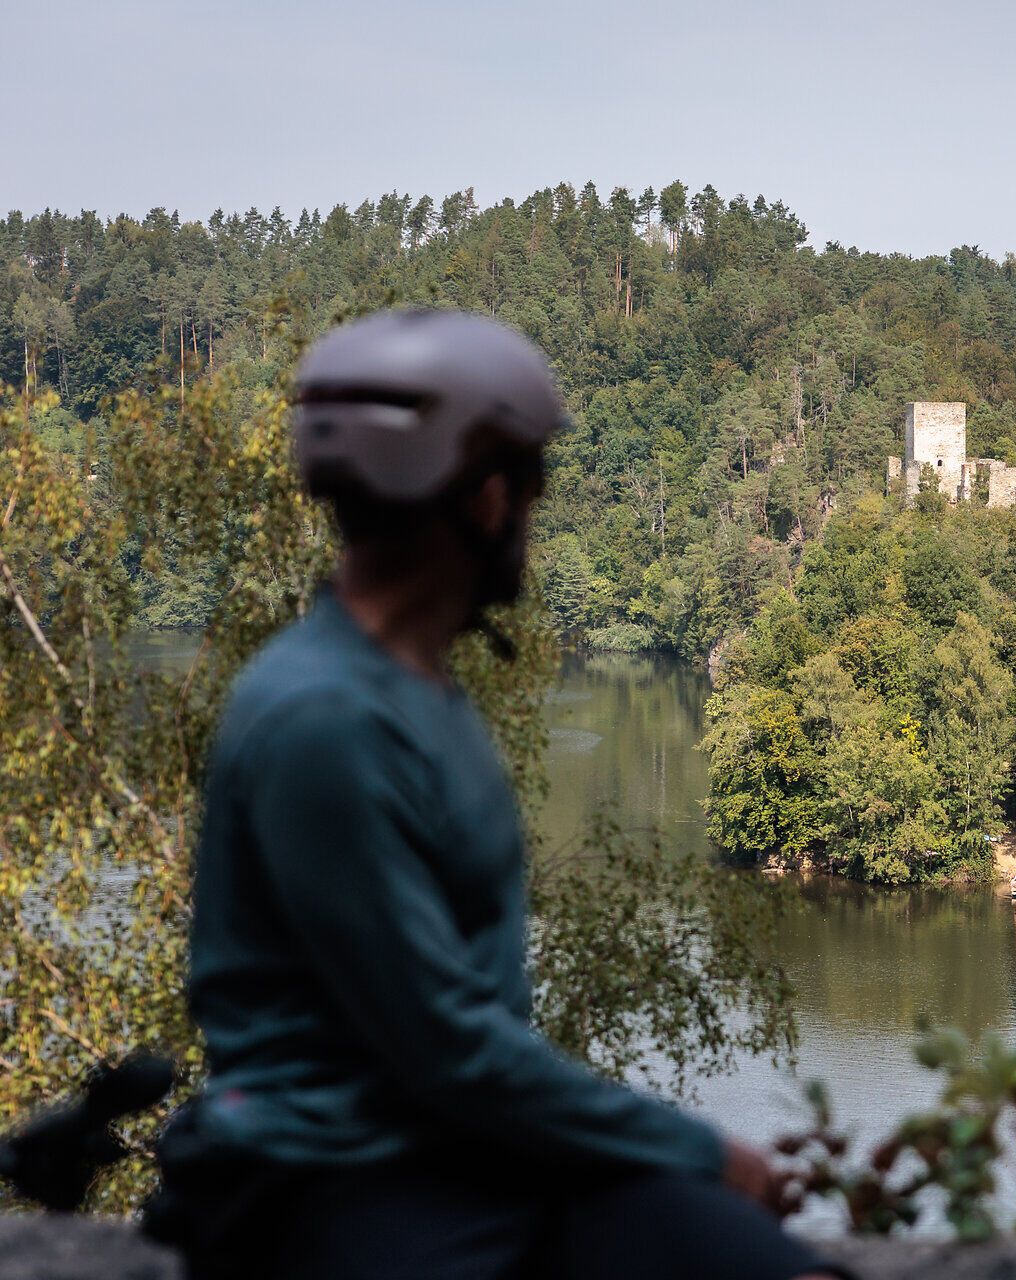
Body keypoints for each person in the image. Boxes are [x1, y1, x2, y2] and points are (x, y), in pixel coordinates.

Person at [147, 309, 842, 1280]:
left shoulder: (410, 688)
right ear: (484, 498)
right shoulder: (325, 721)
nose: (534, 516)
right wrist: (703, 1149)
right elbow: (447, 1048)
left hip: (456, 1160)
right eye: (534, 487)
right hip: (334, 1188)